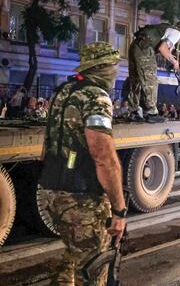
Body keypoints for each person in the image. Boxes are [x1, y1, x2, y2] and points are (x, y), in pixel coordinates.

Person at [38, 42, 127, 285]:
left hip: (52, 190)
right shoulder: (96, 96)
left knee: (72, 260)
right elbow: (103, 155)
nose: (116, 72)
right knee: (92, 271)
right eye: (114, 66)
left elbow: (48, 144)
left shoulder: (63, 90)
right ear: (102, 67)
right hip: (81, 197)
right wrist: (119, 210)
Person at [127, 19, 180, 123]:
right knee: (150, 80)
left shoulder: (167, 29)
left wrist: (172, 59)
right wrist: (175, 62)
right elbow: (162, 48)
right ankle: (151, 113)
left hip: (136, 45)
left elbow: (166, 51)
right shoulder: (177, 33)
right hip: (145, 49)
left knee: (136, 81)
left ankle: (133, 112)